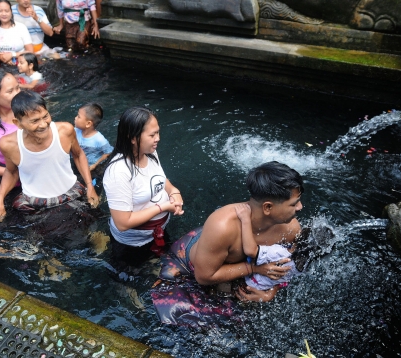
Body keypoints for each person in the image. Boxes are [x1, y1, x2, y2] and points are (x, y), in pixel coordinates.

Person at [160, 161, 304, 303]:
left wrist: (271, 292)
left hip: (230, 258)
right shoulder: (223, 226)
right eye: (294, 204)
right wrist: (255, 268)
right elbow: (203, 276)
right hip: (189, 261)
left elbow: (289, 267)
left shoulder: (291, 228)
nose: (300, 207)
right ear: (267, 207)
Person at [0, 90, 99, 223]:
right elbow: (11, 172)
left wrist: (90, 186)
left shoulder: (65, 131)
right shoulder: (9, 145)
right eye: (34, 121)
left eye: (45, 116)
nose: (43, 124)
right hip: (34, 204)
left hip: (71, 193)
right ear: (18, 123)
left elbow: (78, 154)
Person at [102, 106, 184, 271]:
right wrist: (163, 207)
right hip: (132, 244)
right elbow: (122, 223)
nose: (158, 138)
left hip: (157, 232)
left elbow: (160, 179)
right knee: (130, 279)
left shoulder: (151, 154)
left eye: (158, 133)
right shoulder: (118, 172)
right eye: (152, 135)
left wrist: (174, 191)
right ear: (133, 138)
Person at [235, 203, 299, 291]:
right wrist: (271, 293)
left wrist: (245, 220)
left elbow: (251, 251)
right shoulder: (303, 266)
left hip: (248, 286)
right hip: (264, 290)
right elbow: (284, 280)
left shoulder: (279, 253)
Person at [74, 103, 113, 181]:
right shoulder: (75, 131)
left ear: (88, 124)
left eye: (78, 116)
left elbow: (108, 152)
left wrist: (95, 164)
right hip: (78, 161)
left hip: (91, 165)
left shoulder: (99, 140)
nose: (75, 118)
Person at [0, 0, 33, 66]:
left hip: (21, 64)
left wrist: (12, 55)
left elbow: (30, 51)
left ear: (11, 11)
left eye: (7, 11)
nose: (4, 14)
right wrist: (1, 57)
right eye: (0, 11)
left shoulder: (21, 27)